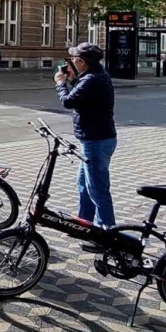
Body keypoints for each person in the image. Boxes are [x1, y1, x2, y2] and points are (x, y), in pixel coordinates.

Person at [54, 43, 117, 228]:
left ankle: (108, 233)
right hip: (95, 138)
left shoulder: (91, 79)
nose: (71, 61)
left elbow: (68, 101)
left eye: (73, 59)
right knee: (84, 185)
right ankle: (85, 224)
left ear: (82, 61)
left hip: (96, 140)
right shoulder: (94, 76)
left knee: (97, 190)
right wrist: (73, 80)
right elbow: (84, 95)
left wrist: (60, 83)